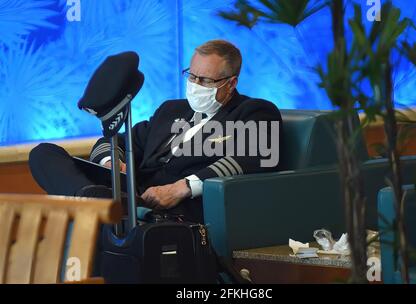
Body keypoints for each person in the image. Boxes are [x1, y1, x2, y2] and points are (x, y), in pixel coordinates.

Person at [29, 39, 282, 223]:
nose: (195, 85)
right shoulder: (171, 110)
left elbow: (253, 159)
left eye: (205, 80)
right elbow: (116, 140)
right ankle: (90, 199)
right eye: (191, 76)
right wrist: (111, 161)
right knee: (44, 153)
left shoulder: (254, 111)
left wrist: (182, 187)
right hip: (129, 192)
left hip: (176, 208)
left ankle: (98, 204)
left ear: (231, 83)